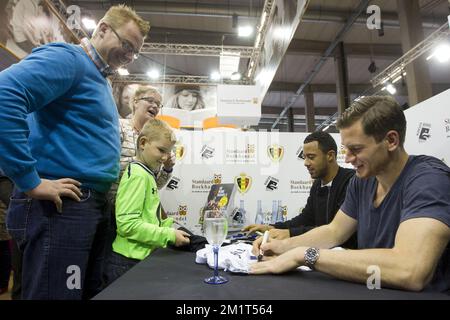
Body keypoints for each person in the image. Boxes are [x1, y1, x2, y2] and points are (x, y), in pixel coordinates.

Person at [0, 5, 150, 299]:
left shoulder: (98, 77)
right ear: (103, 29)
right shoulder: (68, 58)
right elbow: (5, 94)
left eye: (135, 52)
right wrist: (30, 180)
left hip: (83, 205)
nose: (129, 56)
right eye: (127, 45)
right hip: (61, 207)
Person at [251, 96, 450, 292]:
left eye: (356, 149)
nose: (347, 158)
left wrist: (304, 254)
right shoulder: (361, 181)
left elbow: (410, 270)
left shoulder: (428, 180)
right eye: (346, 149)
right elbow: (334, 231)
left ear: (391, 140)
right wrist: (282, 246)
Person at [105, 119, 190, 284]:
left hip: (137, 259)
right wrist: (169, 234)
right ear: (143, 143)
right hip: (127, 262)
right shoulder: (137, 175)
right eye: (161, 150)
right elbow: (127, 224)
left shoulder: (146, 174)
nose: (165, 157)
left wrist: (172, 229)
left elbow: (150, 215)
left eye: (169, 152)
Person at [243, 131, 356, 249]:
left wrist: (290, 234)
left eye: (311, 157)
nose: (306, 163)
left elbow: (332, 228)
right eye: (305, 157)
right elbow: (306, 218)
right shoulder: (317, 184)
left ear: (330, 156)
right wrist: (273, 227)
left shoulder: (351, 182)